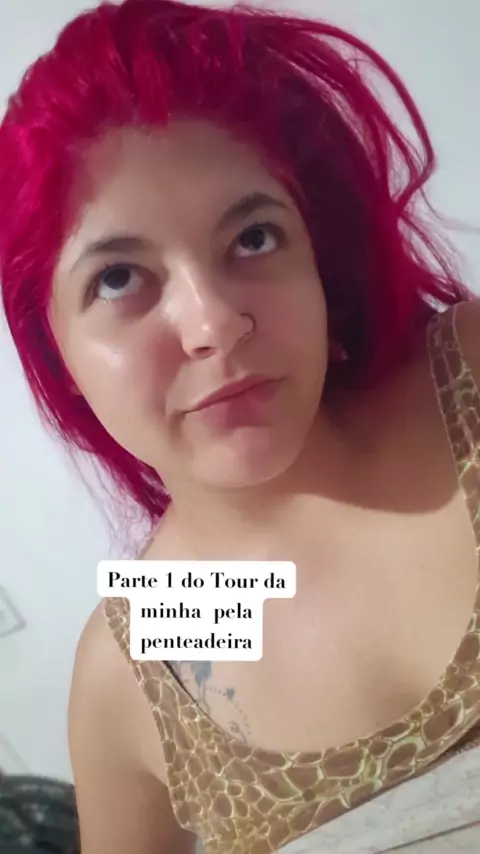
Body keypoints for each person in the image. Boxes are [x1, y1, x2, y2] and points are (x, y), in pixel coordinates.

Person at [1, 0, 480, 852]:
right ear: (57, 351)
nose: (214, 323)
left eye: (254, 237)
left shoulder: (472, 377)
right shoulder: (140, 665)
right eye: (119, 279)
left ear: (317, 254)